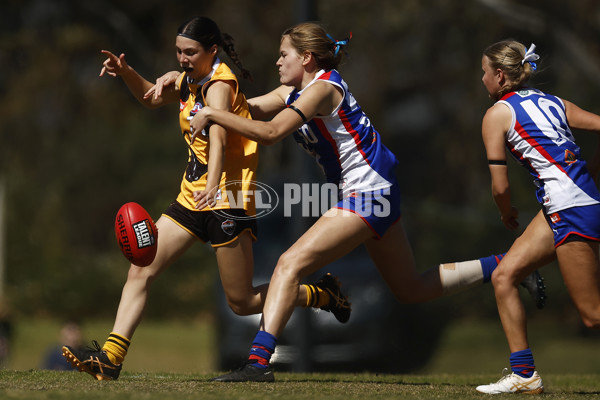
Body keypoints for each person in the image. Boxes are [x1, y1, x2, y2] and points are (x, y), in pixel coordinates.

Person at [168, 22, 546, 382]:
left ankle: (257, 363)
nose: (277, 61)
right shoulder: (294, 92)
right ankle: (508, 265)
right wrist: (186, 86)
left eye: (284, 54)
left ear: (307, 59)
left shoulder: (321, 90)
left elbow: (268, 133)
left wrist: (213, 112)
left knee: (288, 263)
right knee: (410, 288)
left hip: (368, 192)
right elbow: (243, 110)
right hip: (377, 190)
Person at [61, 16, 351, 381]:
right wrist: (127, 72)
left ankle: (320, 294)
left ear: (212, 51)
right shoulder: (189, 80)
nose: (182, 59)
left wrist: (214, 183)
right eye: (178, 52)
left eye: (190, 52)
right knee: (141, 268)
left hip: (227, 199)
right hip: (191, 198)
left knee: (241, 301)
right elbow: (151, 98)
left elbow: (218, 136)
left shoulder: (218, 85)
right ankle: (110, 358)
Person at [474, 40, 600, 395]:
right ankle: (525, 374)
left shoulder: (497, 114)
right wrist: (590, 169)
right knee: (505, 276)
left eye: (484, 72)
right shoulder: (551, 101)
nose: (482, 79)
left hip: (569, 209)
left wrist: (506, 212)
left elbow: (500, 188)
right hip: (572, 203)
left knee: (591, 315)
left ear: (500, 75)